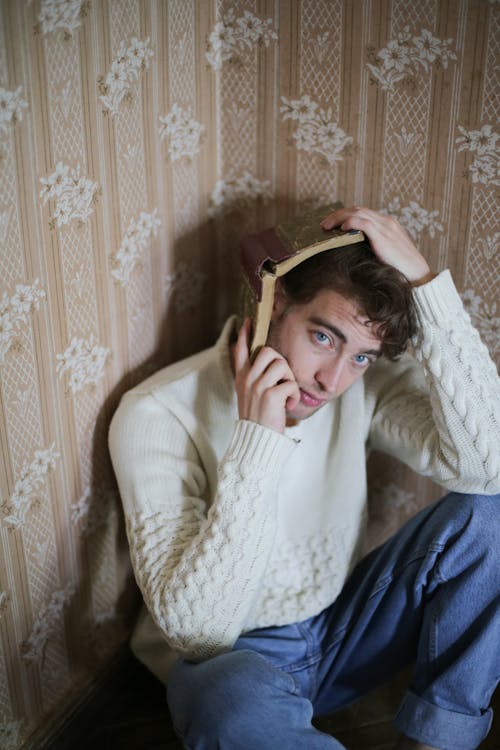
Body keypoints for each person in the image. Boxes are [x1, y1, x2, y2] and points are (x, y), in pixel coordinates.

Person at [109, 206, 500, 750]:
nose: (334, 379)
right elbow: (198, 635)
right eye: (323, 337)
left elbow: (491, 467)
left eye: (361, 356)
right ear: (271, 305)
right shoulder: (156, 414)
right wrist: (257, 442)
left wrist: (425, 284)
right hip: (232, 665)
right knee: (229, 704)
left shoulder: (359, 386)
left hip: (340, 631)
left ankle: (436, 743)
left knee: (491, 516)